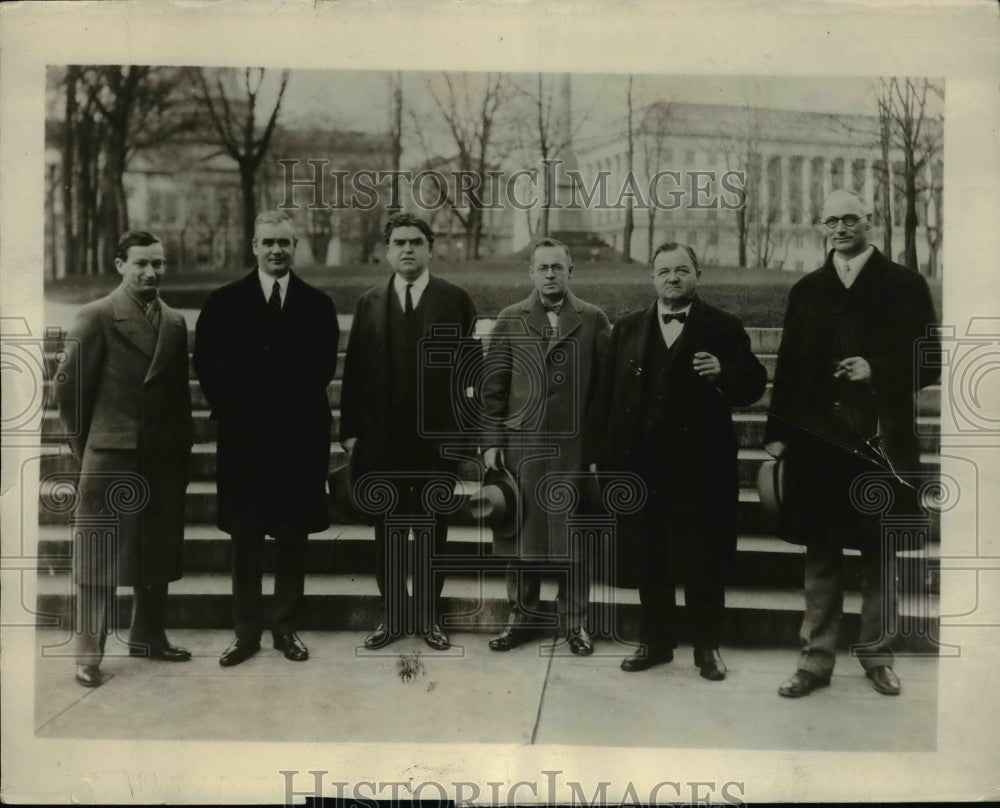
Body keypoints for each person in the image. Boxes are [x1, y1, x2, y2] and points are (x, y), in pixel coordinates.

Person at [766, 189, 940, 698]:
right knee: (820, 552)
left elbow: (931, 360)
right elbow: (790, 367)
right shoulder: (807, 290)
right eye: (831, 220)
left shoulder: (906, 285)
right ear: (821, 227)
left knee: (880, 551)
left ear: (871, 221)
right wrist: (778, 434)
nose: (840, 228)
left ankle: (876, 654)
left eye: (850, 219)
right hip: (819, 445)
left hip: (882, 440)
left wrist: (877, 369)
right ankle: (814, 660)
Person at [585, 242, 766, 680]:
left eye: (682, 270)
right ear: (652, 278)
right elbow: (604, 398)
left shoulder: (723, 326)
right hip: (641, 469)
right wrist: (597, 458)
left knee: (703, 562)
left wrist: (724, 373)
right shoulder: (627, 329)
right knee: (649, 560)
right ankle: (656, 643)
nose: (672, 278)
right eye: (663, 271)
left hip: (702, 470)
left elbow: (755, 384)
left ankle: (707, 648)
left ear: (697, 274)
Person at [194, 210, 339, 667]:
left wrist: (282, 405)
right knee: (246, 539)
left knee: (293, 537)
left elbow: (321, 369)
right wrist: (243, 408)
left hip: (298, 438)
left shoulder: (317, 304)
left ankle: (285, 626)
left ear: (296, 248)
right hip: (246, 439)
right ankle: (245, 632)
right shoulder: (224, 302)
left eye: (285, 242)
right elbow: (208, 366)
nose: (277, 250)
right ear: (253, 245)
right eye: (268, 241)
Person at [58, 230, 193, 688]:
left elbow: (176, 398)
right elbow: (69, 390)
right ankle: (88, 654)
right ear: (120, 265)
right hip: (111, 457)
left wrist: (178, 450)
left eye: (158, 263)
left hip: (161, 458)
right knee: (99, 559)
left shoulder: (174, 322)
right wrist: (89, 448)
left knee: (156, 552)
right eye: (140, 264)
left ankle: (149, 636)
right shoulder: (95, 315)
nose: (150, 272)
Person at [340, 212, 478, 651]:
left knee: (434, 530)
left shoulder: (454, 300)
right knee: (388, 531)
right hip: (383, 442)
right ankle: (393, 615)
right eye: (398, 242)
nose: (407, 249)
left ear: (430, 249)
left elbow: (467, 373)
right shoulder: (369, 301)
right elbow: (356, 371)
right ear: (386, 249)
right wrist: (350, 431)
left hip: (435, 444)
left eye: (416, 242)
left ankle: (429, 617)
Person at [481, 237, 610, 654]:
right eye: (543, 268)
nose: (551, 275)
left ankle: (575, 622)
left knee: (575, 538)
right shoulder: (510, 318)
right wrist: (491, 442)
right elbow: (492, 390)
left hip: (576, 451)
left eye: (558, 267)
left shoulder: (592, 320)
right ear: (531, 272)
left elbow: (607, 393)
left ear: (572, 271)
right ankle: (523, 617)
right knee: (522, 537)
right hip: (525, 450)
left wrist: (600, 449)